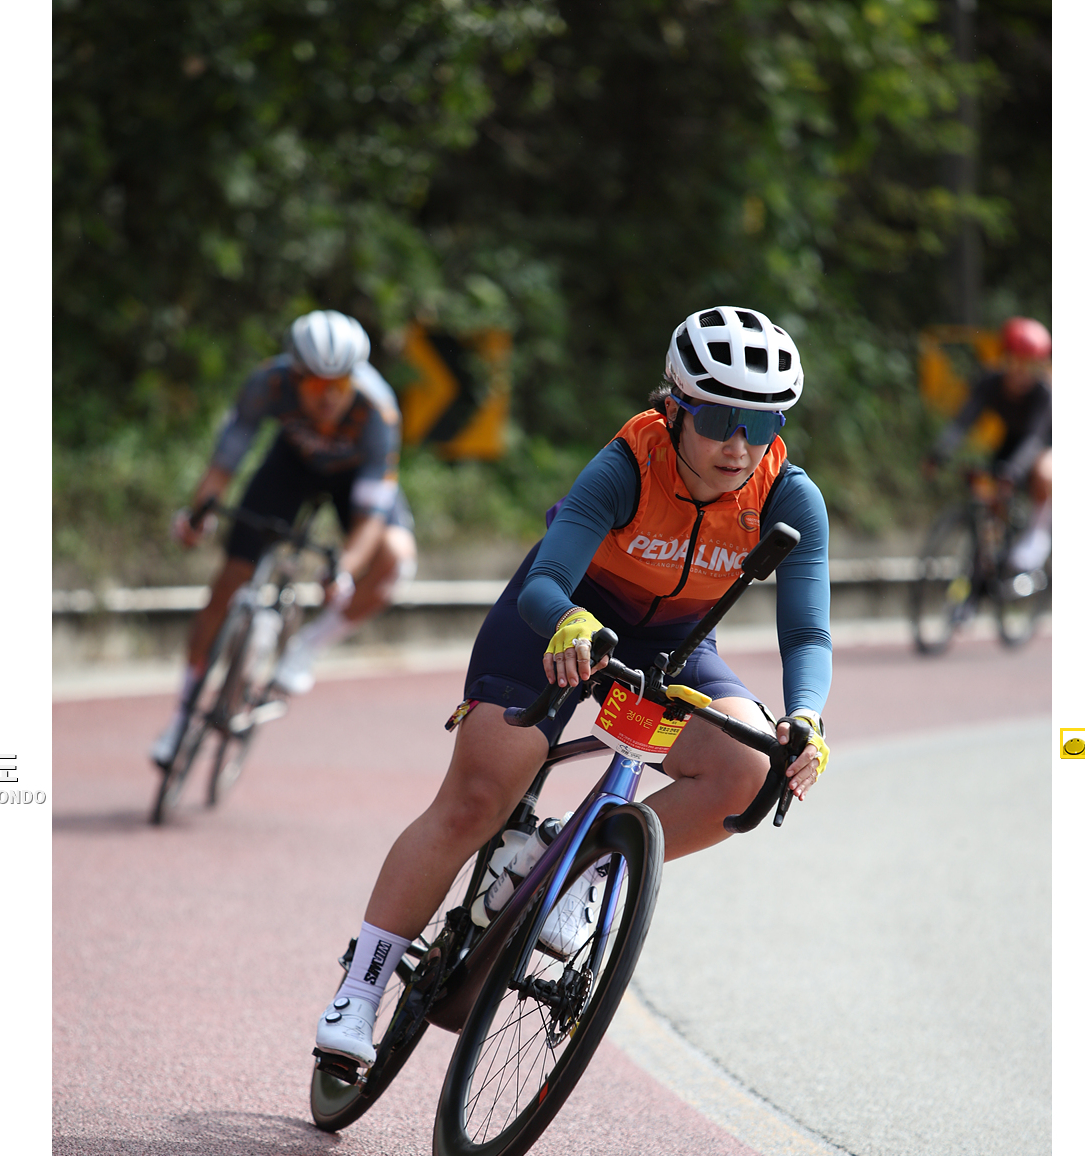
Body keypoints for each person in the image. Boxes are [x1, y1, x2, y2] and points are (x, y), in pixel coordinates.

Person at [316, 305, 832, 1065]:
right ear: (675, 406)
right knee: (477, 798)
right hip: (556, 621)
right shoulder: (627, 466)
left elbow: (807, 635)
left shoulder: (788, 497)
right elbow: (545, 583)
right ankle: (360, 990)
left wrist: (806, 718)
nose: (738, 445)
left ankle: (583, 858)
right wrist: (568, 621)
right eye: (720, 418)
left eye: (761, 424)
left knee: (750, 770)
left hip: (674, 645)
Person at [149, 310, 417, 766]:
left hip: (352, 478)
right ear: (295, 375)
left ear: (355, 378)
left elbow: (371, 515)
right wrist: (198, 516)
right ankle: (180, 719)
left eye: (338, 385)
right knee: (228, 583)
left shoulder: (378, 410)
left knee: (396, 557)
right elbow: (226, 460)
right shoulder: (268, 383)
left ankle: (305, 649)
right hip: (290, 465)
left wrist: (343, 570)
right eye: (314, 383)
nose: (327, 396)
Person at [924, 315, 1052, 571]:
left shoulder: (1043, 393)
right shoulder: (990, 383)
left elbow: (1035, 438)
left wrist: (1014, 470)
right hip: (1011, 441)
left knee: (1045, 472)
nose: (1022, 372)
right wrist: (939, 453)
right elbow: (962, 422)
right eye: (1017, 362)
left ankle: (1039, 534)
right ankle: (987, 563)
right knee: (988, 495)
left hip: (1045, 444)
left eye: (1030, 365)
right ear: (1005, 357)